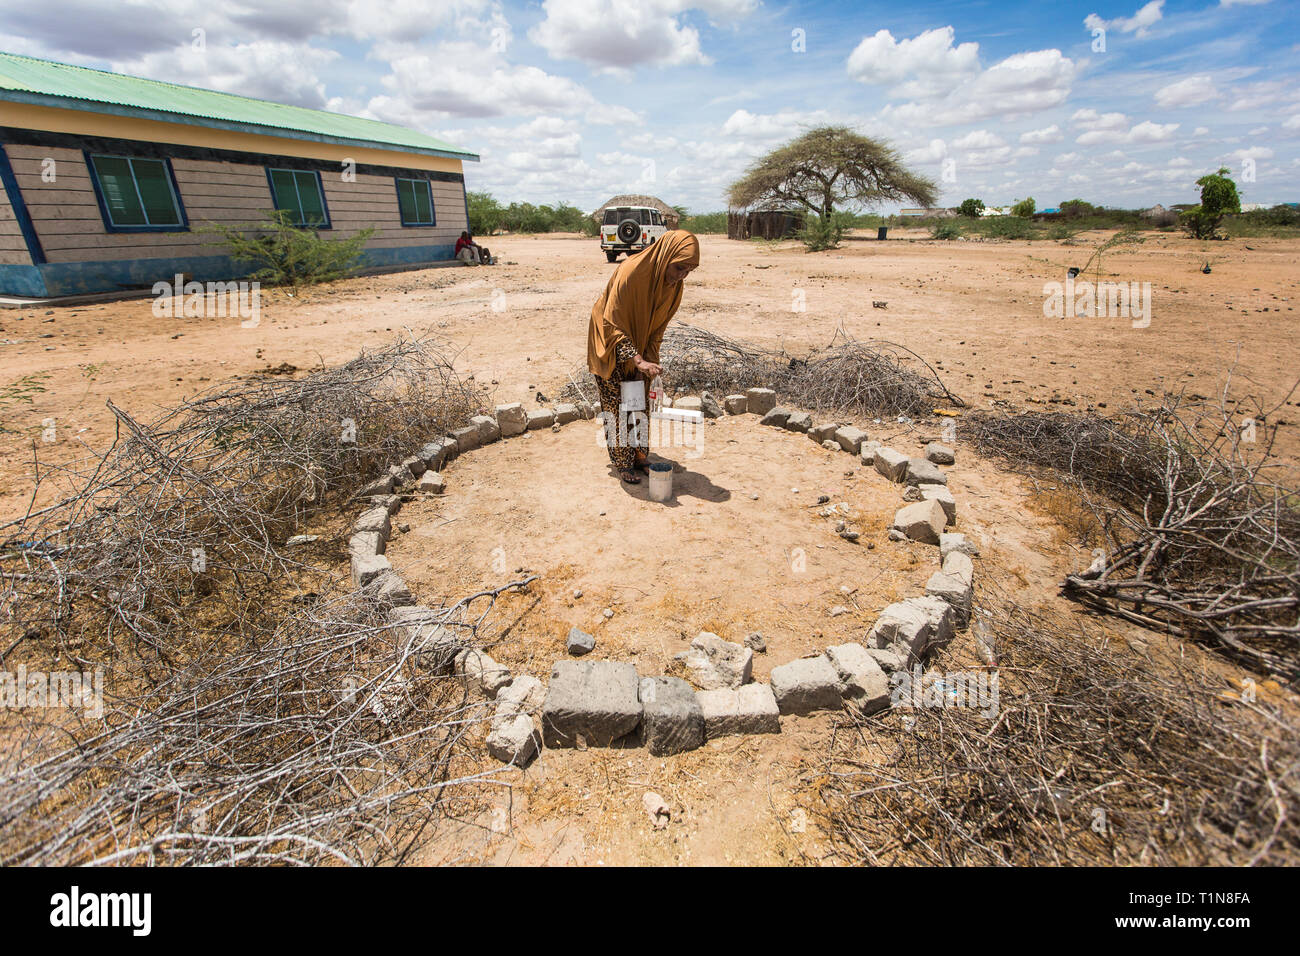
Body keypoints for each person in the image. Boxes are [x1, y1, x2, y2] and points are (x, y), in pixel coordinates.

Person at [586, 230, 700, 484]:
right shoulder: (632, 272)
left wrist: (647, 362)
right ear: (666, 257)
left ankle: (639, 455)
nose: (681, 276)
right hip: (609, 341)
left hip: (640, 346)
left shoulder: (674, 287)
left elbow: (657, 329)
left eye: (688, 271)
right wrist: (636, 359)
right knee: (617, 402)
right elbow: (612, 323)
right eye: (679, 268)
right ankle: (623, 462)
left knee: (638, 400)